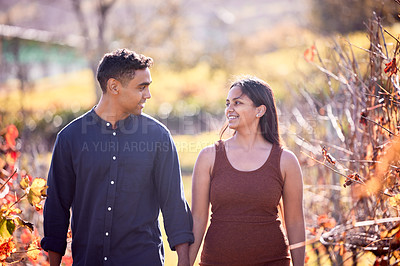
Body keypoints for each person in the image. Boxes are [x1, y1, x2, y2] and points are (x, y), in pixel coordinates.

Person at [41, 48, 194, 266]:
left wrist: (183, 261)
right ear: (114, 86)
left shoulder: (158, 137)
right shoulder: (70, 138)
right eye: (142, 87)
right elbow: (56, 207)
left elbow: (174, 205)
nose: (148, 95)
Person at [189, 77, 305, 266]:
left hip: (272, 261)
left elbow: (295, 222)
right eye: (228, 103)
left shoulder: (286, 160)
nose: (229, 109)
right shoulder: (209, 157)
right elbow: (198, 219)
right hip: (216, 261)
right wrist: (185, 262)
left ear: (260, 110)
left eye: (238, 103)